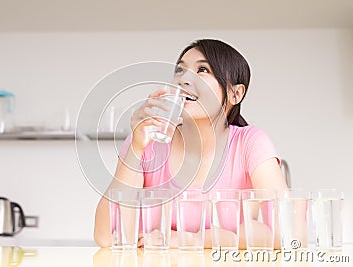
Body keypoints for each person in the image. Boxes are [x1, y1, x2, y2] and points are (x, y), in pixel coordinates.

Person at [93, 39, 288, 249]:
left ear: (235, 93)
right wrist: (136, 148)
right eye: (180, 70)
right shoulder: (147, 140)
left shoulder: (251, 143)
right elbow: (105, 236)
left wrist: (193, 240)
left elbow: (289, 232)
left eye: (202, 69)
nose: (183, 79)